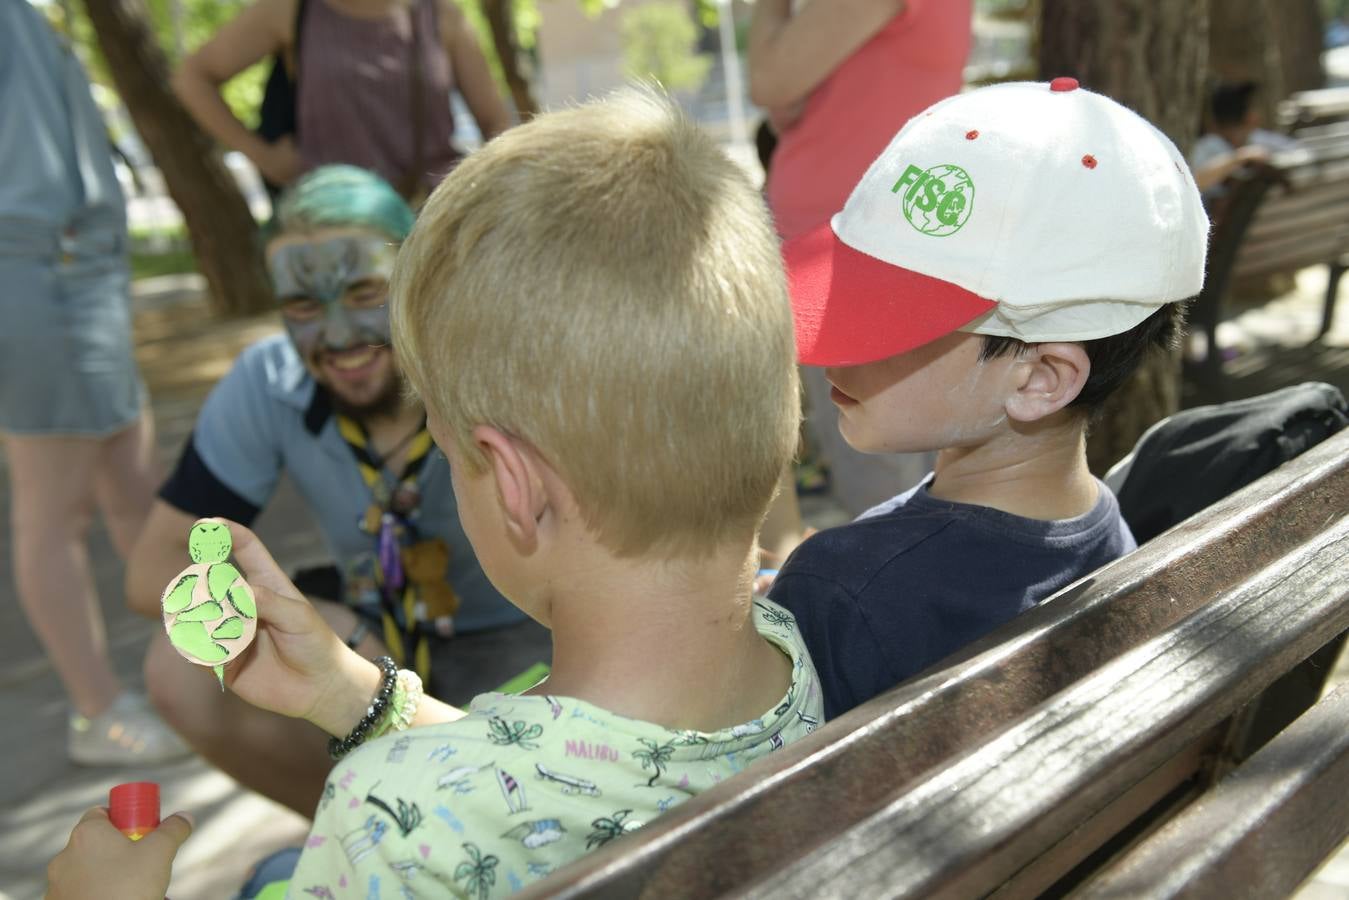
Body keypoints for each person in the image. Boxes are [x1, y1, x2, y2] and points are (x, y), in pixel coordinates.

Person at [49, 88, 823, 899]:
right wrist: (357, 695)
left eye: (451, 453)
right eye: (305, 306)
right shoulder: (799, 645)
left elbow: (471, 799)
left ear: (513, 484)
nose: (341, 335)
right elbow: (577, 768)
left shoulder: (389, 823)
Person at [767, 78, 1209, 720]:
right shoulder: (1101, 530)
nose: (836, 350)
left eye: (890, 324)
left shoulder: (843, 588)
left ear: (1040, 379)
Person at [126, 164, 542, 815]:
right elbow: (151, 569)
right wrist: (330, 629)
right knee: (182, 671)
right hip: (365, 641)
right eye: (303, 307)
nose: (340, 335)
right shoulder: (267, 382)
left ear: (417, 280)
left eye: (364, 292)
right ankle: (352, 838)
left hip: (531, 640)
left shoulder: (493, 359)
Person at [0, 0, 187, 766]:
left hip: (83, 267)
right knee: (55, 508)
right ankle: (96, 712)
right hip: (35, 265)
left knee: (135, 490)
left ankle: (191, 671)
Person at [750, 0, 974, 533]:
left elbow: (769, 82)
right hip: (879, 240)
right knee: (919, 479)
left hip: (846, 249)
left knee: (883, 490)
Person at [171, 0, 512, 200]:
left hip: (428, 215)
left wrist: (480, 189)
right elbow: (193, 78)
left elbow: (496, 121)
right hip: (334, 221)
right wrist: (265, 157)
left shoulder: (440, 14)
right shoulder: (293, 10)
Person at [1189, 80, 1299, 195]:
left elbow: (1297, 151)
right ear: (1247, 115)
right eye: (1253, 107)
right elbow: (1196, 181)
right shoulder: (1209, 145)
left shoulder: (1256, 138)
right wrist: (1241, 157)